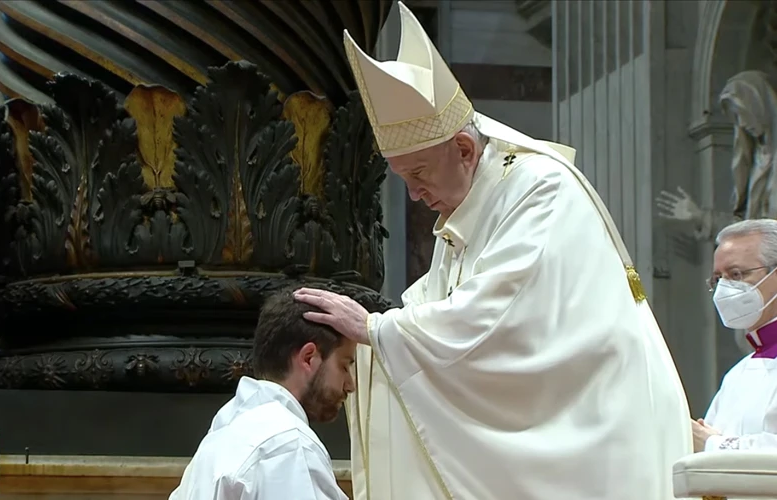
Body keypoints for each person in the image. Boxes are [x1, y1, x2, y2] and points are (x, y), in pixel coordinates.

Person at [292, 3, 693, 499]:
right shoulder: (467, 212)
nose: (414, 195)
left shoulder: (540, 190)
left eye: (418, 174)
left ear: (463, 149)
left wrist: (376, 329)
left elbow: (497, 314)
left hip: (598, 425)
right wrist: (370, 340)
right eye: (403, 180)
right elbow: (436, 307)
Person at [169, 287, 355, 500]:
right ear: (308, 357)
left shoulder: (218, 440)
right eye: (345, 366)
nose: (350, 385)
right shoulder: (289, 446)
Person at [695, 219, 777, 452]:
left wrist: (711, 443)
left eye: (736, 274)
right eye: (717, 279)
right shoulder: (737, 374)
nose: (723, 290)